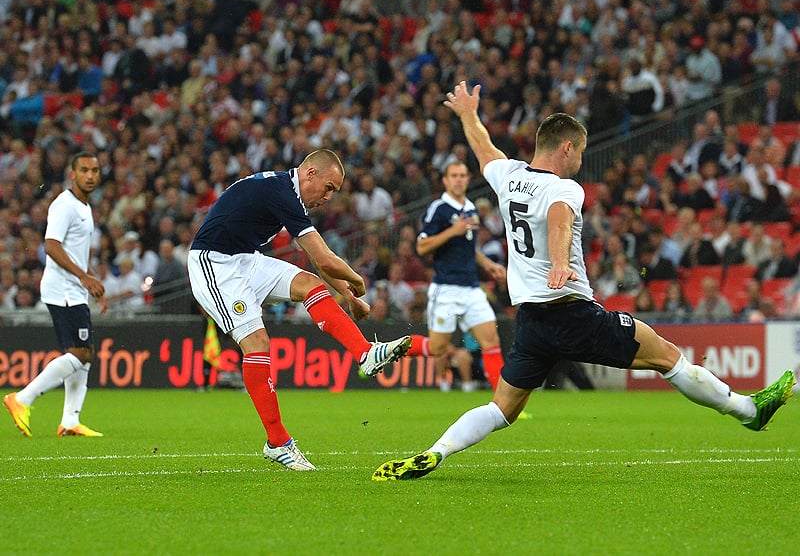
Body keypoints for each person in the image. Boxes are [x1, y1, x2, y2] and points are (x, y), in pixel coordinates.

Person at [372, 84, 795, 482]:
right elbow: (559, 219)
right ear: (567, 147)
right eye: (580, 152)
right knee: (667, 357)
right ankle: (747, 410)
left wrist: (467, 114)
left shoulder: (508, 177)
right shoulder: (565, 187)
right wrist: (559, 263)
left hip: (532, 324)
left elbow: (483, 148)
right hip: (574, 312)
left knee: (501, 408)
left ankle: (438, 450)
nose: (580, 162)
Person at [187, 149, 411, 472]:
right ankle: (277, 442)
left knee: (307, 283)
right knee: (258, 343)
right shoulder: (284, 193)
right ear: (310, 174)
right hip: (214, 263)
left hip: (245, 258)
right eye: (329, 187)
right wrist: (358, 281)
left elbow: (319, 269)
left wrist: (347, 297)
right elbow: (325, 259)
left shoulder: (285, 190)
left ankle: (365, 353)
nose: (329, 198)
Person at [4, 152, 107, 437]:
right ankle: (21, 399)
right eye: (84, 170)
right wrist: (84, 276)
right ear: (72, 174)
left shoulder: (84, 207)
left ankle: (70, 421)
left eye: (95, 170)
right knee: (81, 352)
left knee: (83, 355)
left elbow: (72, 251)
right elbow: (51, 246)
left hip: (73, 287)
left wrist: (90, 279)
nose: (90, 175)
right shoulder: (65, 205)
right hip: (62, 289)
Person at [402, 161, 508, 391]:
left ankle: (504, 404)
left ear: (468, 179)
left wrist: (488, 264)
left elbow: (467, 246)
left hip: (471, 288)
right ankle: (391, 351)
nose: (459, 179)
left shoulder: (470, 208)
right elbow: (422, 247)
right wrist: (452, 231)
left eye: (463, 175)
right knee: (438, 348)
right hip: (446, 288)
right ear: (446, 180)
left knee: (491, 341)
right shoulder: (439, 208)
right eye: (454, 175)